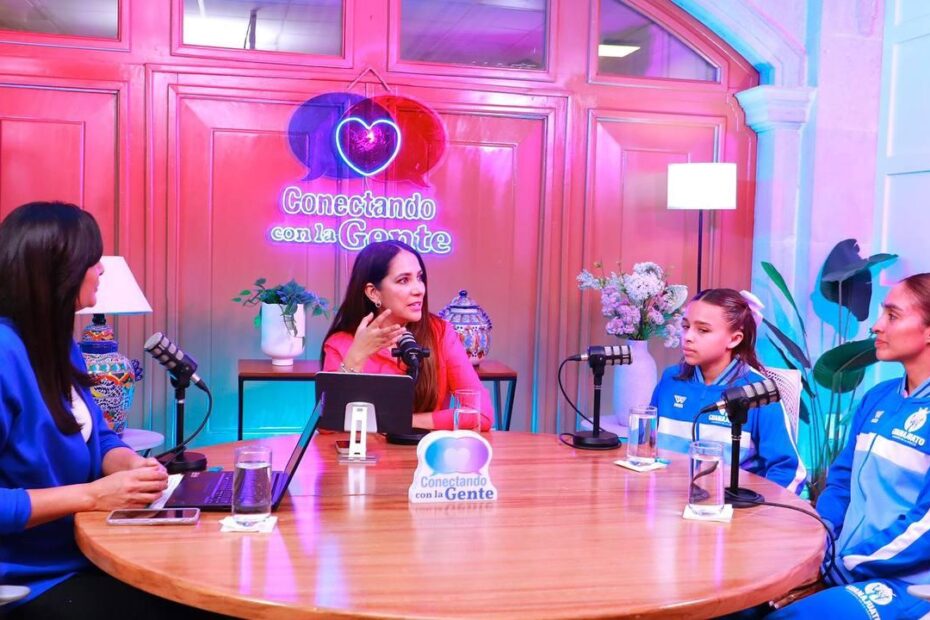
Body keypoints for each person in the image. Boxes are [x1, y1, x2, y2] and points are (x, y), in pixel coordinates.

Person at [0, 202, 220, 619]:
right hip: (29, 581)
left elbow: (98, 436)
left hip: (83, 556)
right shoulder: (5, 353)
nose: (100, 269)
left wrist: (133, 466)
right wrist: (94, 495)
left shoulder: (59, 343)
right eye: (92, 260)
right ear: (58, 270)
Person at [771, 274, 930, 619]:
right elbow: (841, 482)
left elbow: (925, 529)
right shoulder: (878, 397)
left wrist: (838, 569)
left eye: (892, 315)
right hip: (844, 563)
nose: (876, 326)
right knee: (744, 605)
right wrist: (820, 546)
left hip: (908, 583)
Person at [321, 240, 493, 431]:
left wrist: (400, 421)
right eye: (403, 280)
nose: (419, 290)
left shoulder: (440, 333)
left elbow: (481, 414)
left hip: (425, 449)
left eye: (419, 278)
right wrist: (356, 356)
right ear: (373, 293)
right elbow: (328, 427)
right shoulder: (339, 344)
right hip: (366, 451)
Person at [649, 288, 807, 494]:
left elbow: (788, 472)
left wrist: (759, 510)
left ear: (734, 339)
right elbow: (647, 447)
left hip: (732, 509)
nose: (688, 337)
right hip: (666, 501)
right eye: (686, 326)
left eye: (703, 330)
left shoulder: (758, 392)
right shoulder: (670, 379)